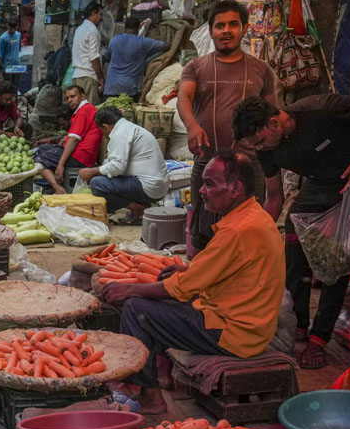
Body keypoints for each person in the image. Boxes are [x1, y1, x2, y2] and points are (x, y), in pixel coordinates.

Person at [101, 153, 285, 415]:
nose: (202, 191)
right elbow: (225, 270)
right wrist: (188, 270)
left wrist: (130, 288)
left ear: (235, 189)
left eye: (210, 184)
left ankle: (151, 397)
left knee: (136, 308)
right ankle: (158, 377)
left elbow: (181, 288)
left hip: (234, 334)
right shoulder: (254, 216)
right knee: (158, 298)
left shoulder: (238, 230)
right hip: (247, 325)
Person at [232, 94, 350, 369]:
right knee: (293, 233)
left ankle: (319, 337)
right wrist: (253, 238)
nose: (260, 149)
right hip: (320, 181)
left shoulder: (320, 109)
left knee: (339, 253)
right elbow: (274, 198)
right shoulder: (265, 150)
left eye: (261, 142)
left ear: (275, 123)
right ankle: (299, 322)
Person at [177, 0, 280, 251]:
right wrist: (192, 126)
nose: (227, 31)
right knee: (203, 236)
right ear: (210, 31)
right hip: (207, 163)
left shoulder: (261, 70)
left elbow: (271, 116)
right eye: (220, 26)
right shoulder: (196, 67)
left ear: (244, 29)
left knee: (246, 237)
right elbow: (183, 98)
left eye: (233, 24)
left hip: (249, 166)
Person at [78, 106, 168, 216]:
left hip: (148, 187)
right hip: (157, 186)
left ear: (105, 127)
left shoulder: (120, 133)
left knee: (97, 183)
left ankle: (137, 208)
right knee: (104, 176)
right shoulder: (127, 127)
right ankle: (141, 206)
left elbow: (117, 167)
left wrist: (92, 171)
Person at [32, 83, 101, 193]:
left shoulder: (83, 111)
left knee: (38, 159)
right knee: (42, 149)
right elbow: (74, 136)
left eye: (73, 96)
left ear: (83, 96)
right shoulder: (86, 109)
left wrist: (60, 165)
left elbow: (74, 140)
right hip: (83, 154)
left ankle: (58, 189)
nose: (69, 100)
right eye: (68, 98)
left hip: (80, 156)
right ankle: (54, 182)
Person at [103, 17, 168, 99]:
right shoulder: (143, 43)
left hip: (111, 87)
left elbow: (107, 58)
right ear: (138, 29)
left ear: (125, 28)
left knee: (108, 111)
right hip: (130, 89)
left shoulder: (114, 40)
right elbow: (165, 46)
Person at [71, 3, 104, 104]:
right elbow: (94, 57)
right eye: (100, 14)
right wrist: (101, 78)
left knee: (79, 110)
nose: (101, 18)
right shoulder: (93, 30)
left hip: (77, 76)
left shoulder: (79, 29)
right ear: (93, 14)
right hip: (88, 76)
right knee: (89, 111)